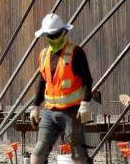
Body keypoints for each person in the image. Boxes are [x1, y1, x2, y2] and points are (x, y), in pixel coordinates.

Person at [29, 13, 94, 164]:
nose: (53, 38)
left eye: (56, 35)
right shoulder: (44, 54)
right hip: (49, 112)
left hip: (72, 112)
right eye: (50, 36)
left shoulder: (76, 53)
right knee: (38, 152)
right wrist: (36, 106)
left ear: (64, 32)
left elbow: (87, 80)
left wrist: (85, 103)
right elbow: (42, 81)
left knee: (78, 153)